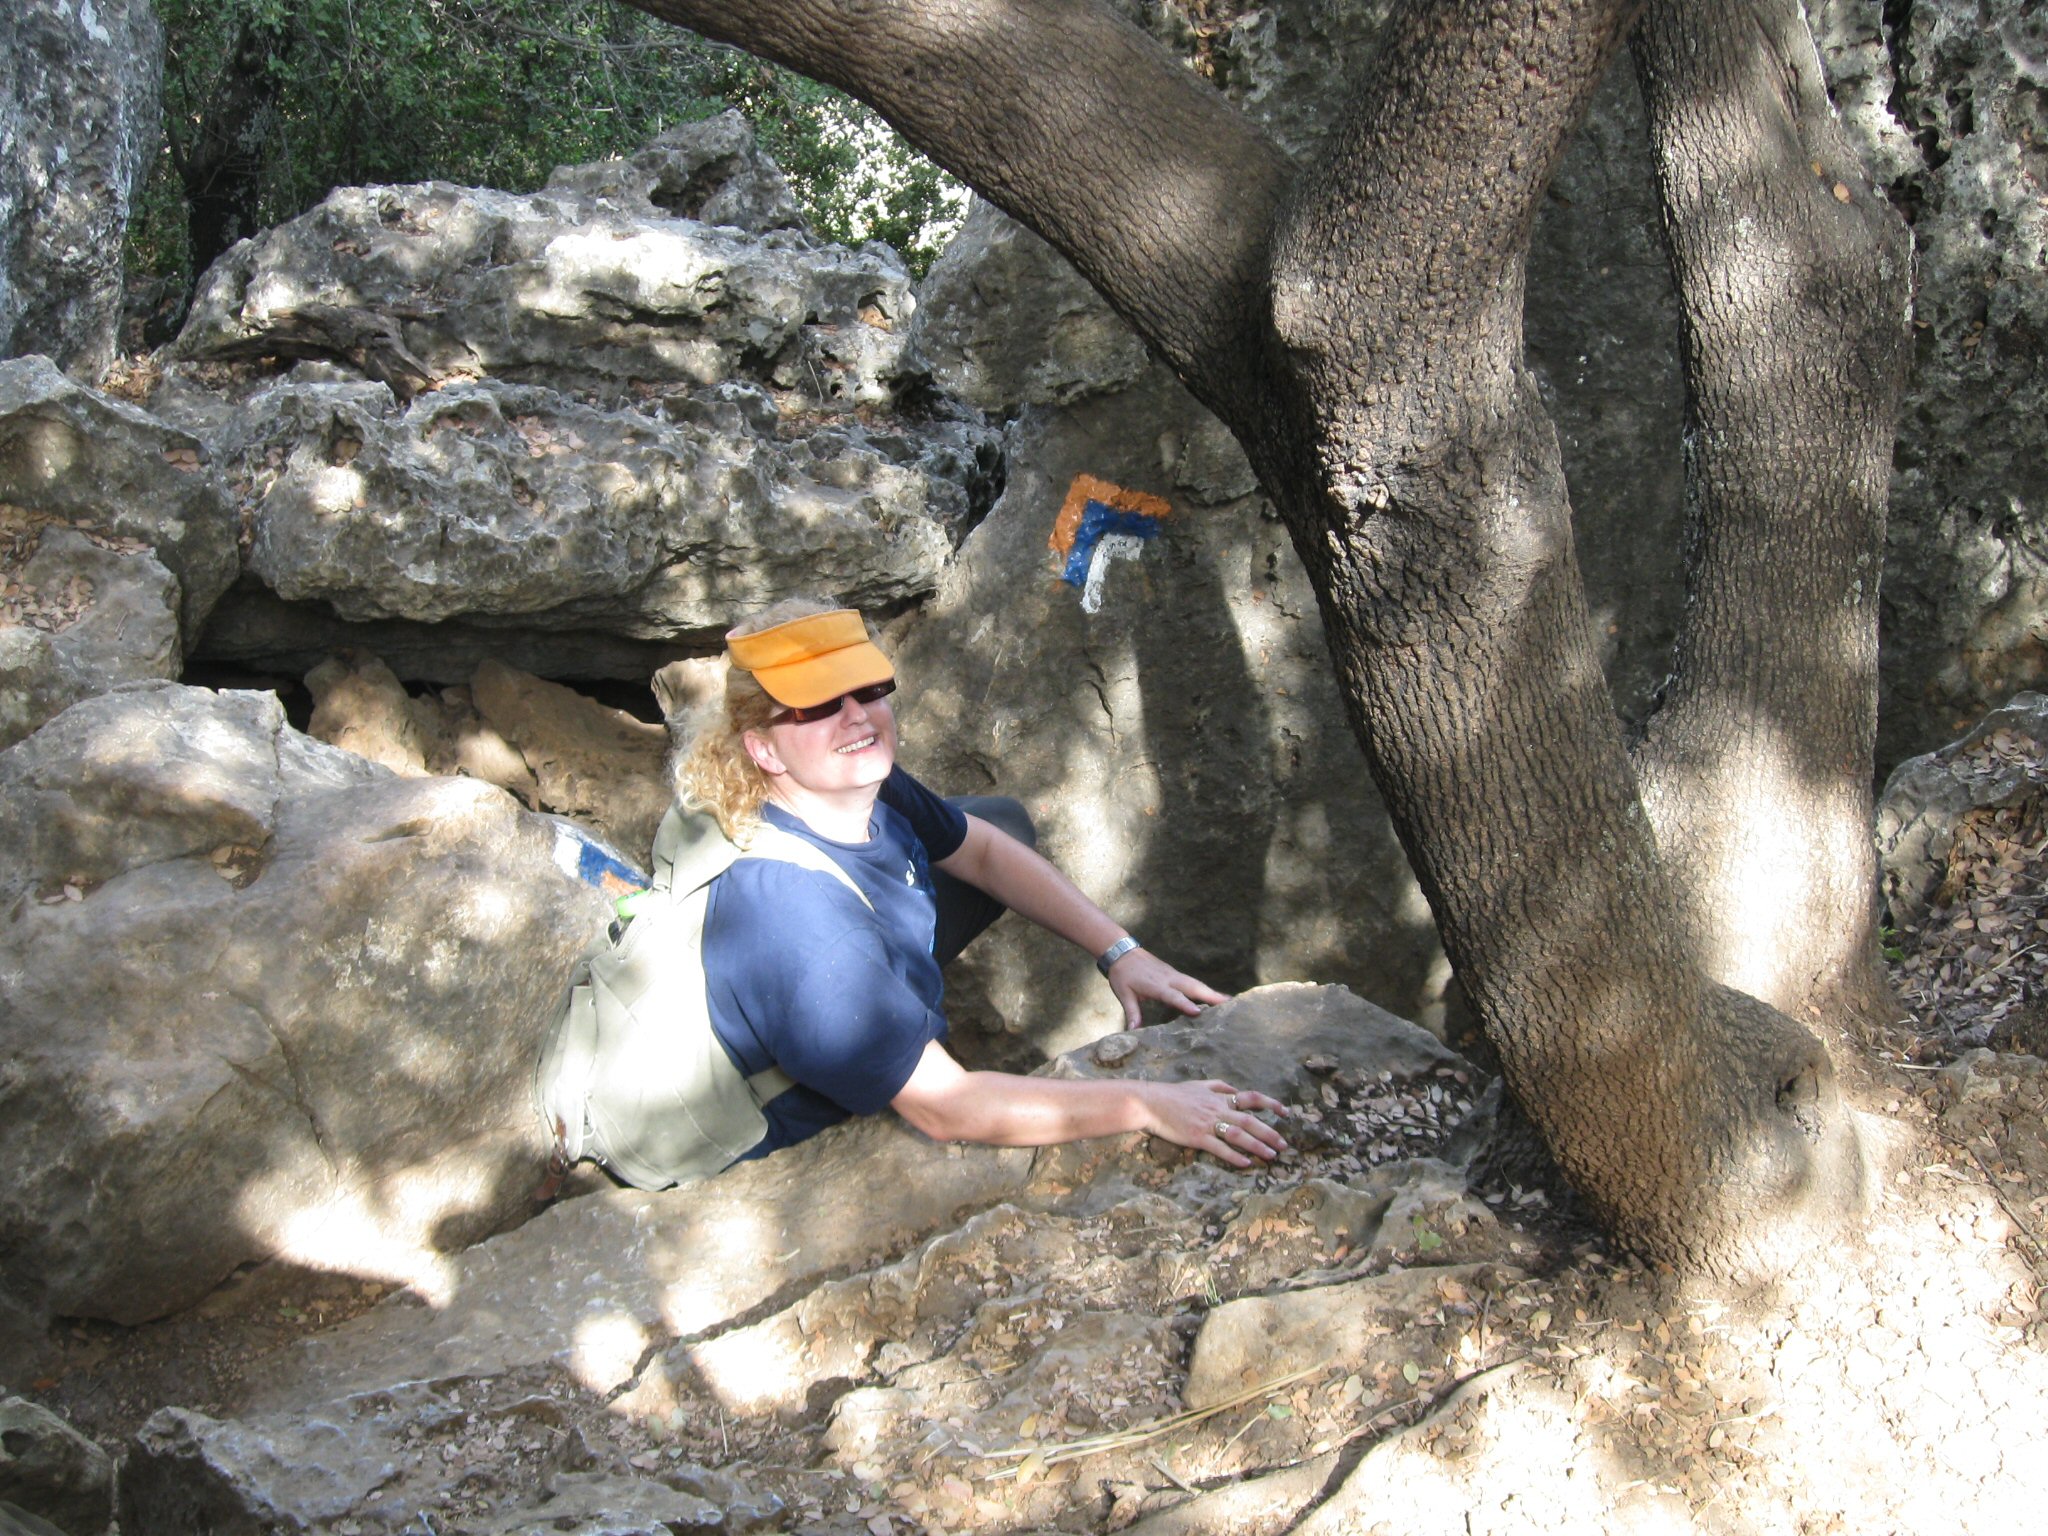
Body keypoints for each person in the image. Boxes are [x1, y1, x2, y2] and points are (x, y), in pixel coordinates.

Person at [674, 597, 1289, 1168]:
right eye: (818, 706)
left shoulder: (852, 781)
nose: (857, 716)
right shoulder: (796, 919)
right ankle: (888, 1039)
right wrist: (1148, 1103)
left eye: (867, 689)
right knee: (897, 1050)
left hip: (841, 965)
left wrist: (1120, 951)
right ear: (765, 751)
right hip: (769, 1117)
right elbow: (947, 1108)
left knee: (1000, 820)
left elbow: (987, 850)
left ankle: (890, 1020)